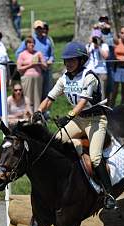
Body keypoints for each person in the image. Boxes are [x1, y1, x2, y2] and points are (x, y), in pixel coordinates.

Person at [35, 41, 115, 209]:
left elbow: (82, 102)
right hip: (78, 120)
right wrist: (39, 111)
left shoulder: (90, 77)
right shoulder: (64, 78)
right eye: (66, 60)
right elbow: (50, 99)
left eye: (72, 60)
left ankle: (109, 194)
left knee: (95, 157)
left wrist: (68, 116)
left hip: (95, 120)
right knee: (54, 143)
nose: (68, 63)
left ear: (81, 60)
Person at [17, 36, 46, 112]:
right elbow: (19, 68)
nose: (31, 44)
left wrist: (40, 61)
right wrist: (31, 65)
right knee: (27, 97)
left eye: (33, 43)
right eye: (29, 42)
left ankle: (37, 115)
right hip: (27, 77)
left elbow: (45, 67)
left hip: (38, 77)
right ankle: (28, 115)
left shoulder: (38, 53)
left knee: (37, 97)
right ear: (26, 44)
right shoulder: (22, 54)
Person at [86, 30, 110, 99]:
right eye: (94, 37)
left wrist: (99, 46)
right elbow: (85, 57)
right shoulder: (89, 46)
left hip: (102, 72)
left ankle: (101, 108)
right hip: (91, 71)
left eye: (97, 37)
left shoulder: (104, 45)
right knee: (90, 92)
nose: (95, 39)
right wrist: (90, 45)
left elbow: (106, 56)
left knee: (102, 93)